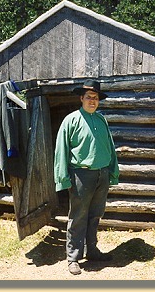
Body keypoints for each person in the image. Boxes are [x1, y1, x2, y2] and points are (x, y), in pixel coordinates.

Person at [54, 79, 119, 275]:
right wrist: (63, 178)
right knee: (78, 216)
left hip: (102, 173)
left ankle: (92, 251)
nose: (92, 101)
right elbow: (61, 151)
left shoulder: (101, 120)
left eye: (95, 98)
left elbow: (111, 148)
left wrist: (112, 171)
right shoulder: (71, 120)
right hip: (81, 175)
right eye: (89, 97)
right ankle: (73, 258)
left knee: (95, 214)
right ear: (81, 98)